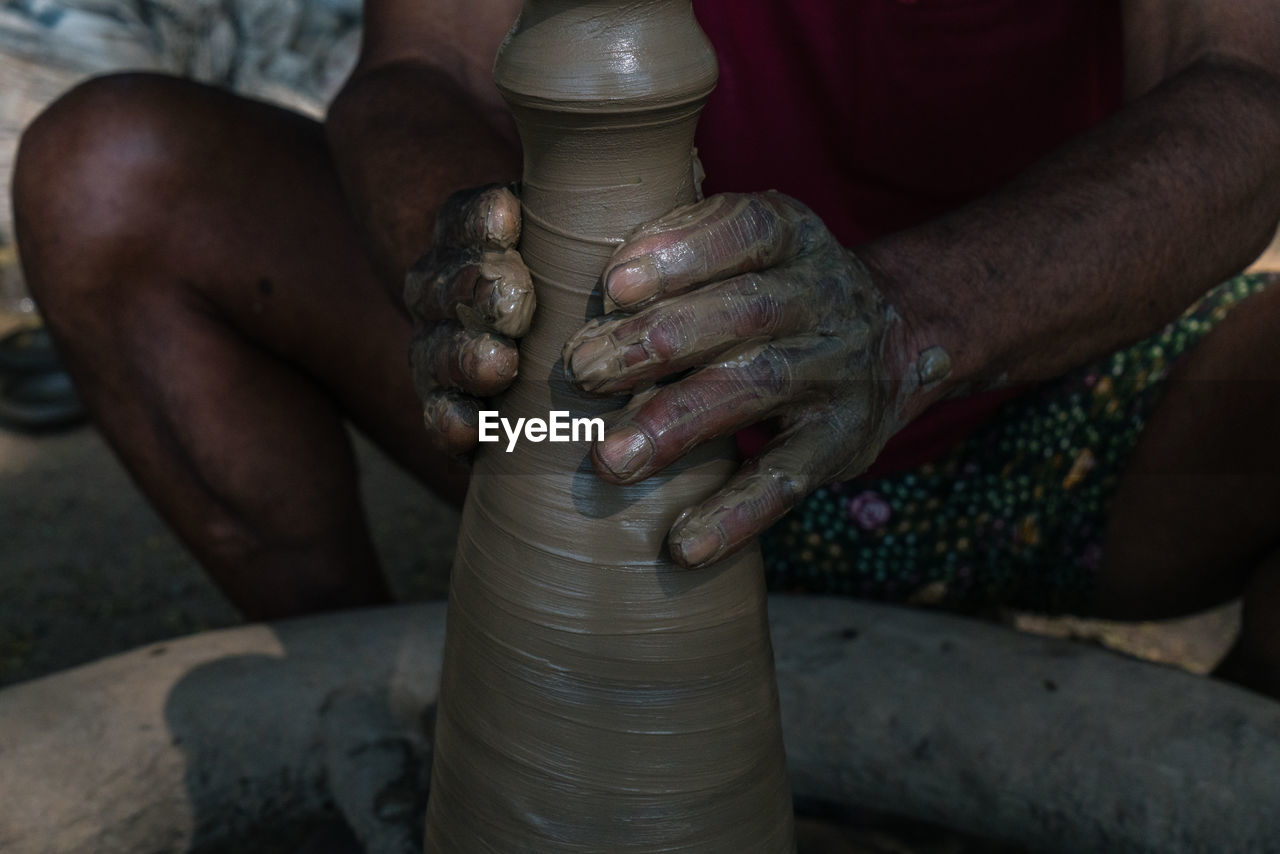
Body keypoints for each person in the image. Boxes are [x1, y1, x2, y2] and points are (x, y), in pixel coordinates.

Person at [11, 0, 1280, 697]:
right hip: (592, 438)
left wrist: (907, 320)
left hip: (1035, 415)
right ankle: (402, 727)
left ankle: (1223, 758)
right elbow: (422, 68)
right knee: (113, 175)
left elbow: (1240, 93)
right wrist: (468, 258)